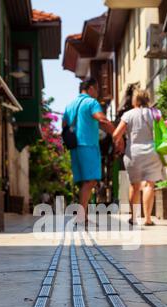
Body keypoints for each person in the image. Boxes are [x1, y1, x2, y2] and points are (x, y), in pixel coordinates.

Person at [63, 78, 115, 224]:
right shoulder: (91, 103)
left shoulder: (69, 105)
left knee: (84, 182)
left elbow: (64, 125)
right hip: (88, 145)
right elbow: (102, 120)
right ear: (91, 88)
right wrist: (116, 134)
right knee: (91, 180)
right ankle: (81, 215)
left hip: (74, 147)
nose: (97, 93)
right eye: (97, 89)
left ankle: (83, 215)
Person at [113, 89, 164, 226]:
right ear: (147, 99)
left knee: (134, 186)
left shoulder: (128, 115)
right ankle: (147, 219)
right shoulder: (155, 113)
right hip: (152, 152)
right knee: (149, 184)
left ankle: (134, 218)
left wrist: (121, 145)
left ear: (135, 100)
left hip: (133, 153)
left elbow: (116, 134)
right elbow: (163, 130)